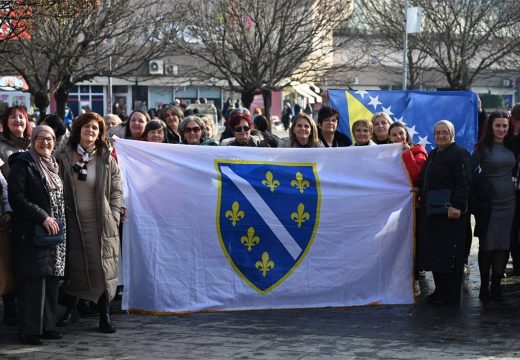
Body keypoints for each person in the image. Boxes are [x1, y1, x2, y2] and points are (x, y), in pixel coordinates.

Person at [56, 112, 122, 333]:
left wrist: (112, 215)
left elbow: (116, 190)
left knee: (101, 267)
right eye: (86, 126)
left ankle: (104, 314)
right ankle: (70, 310)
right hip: (72, 219)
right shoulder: (64, 155)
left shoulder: (106, 157)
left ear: (100, 133)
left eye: (95, 128)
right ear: (78, 129)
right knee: (75, 266)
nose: (90, 130)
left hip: (100, 222)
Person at [8, 125, 65, 345]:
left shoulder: (54, 164)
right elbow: (17, 197)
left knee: (51, 280)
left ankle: (47, 326)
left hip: (56, 231)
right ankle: (30, 331)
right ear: (32, 139)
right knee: (33, 283)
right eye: (40, 138)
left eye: (49, 138)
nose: (45, 142)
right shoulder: (23, 163)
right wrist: (42, 217)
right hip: (33, 231)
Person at [420, 120, 471, 305]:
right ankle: (440, 291)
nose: (441, 136)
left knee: (451, 254)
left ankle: (451, 295)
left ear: (452, 134)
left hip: (452, 214)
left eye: (445, 132)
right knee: (437, 253)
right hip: (434, 213)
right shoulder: (434, 154)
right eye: (438, 133)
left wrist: (457, 206)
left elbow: (464, 182)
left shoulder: (459, 154)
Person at [471, 112, 516, 301]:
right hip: (488, 204)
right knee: (487, 245)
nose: (501, 129)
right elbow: (470, 170)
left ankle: (496, 286)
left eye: (505, 126)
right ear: (491, 127)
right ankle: (484, 287)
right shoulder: (482, 147)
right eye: (498, 125)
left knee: (503, 244)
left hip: (509, 202)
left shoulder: (512, 145)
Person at [0, 105, 32, 325]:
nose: (17, 120)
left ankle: (27, 304)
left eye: (21, 117)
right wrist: (7, 209)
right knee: (9, 259)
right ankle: (11, 306)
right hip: (11, 211)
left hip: (34, 209)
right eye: (12, 117)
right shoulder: (0, 146)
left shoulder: (36, 142)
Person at [389, 121, 428, 296]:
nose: (398, 137)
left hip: (413, 206)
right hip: (389, 207)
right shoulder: (383, 154)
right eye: (394, 134)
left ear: (406, 135)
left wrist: (406, 154)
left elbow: (417, 174)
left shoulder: (418, 151)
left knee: (412, 243)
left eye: (401, 133)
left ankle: (414, 279)